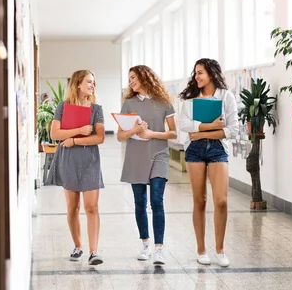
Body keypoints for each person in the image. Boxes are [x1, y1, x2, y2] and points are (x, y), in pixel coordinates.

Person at [178, 58, 238, 268]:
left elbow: (233, 130)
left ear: (212, 73)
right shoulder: (190, 99)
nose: (197, 76)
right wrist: (210, 126)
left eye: (201, 72)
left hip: (218, 150)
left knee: (221, 200)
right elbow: (184, 125)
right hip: (194, 150)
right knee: (200, 200)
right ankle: (201, 250)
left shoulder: (226, 96)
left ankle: (220, 250)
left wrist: (202, 132)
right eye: (195, 73)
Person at [116, 65, 177, 265]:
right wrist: (134, 130)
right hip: (136, 156)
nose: (131, 82)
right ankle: (145, 244)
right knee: (140, 202)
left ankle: (159, 249)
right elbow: (119, 136)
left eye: (133, 77)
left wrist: (151, 134)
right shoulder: (128, 104)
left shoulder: (164, 102)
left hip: (159, 154)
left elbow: (174, 133)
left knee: (157, 200)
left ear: (145, 77)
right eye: (129, 78)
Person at [46, 70, 105, 265]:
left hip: (89, 160)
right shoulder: (63, 107)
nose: (92, 85)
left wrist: (75, 140)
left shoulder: (96, 109)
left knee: (92, 206)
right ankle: (78, 246)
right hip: (68, 159)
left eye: (93, 82)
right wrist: (78, 131)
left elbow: (100, 137)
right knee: (73, 207)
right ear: (78, 84)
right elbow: (55, 133)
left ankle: (94, 251)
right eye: (89, 81)